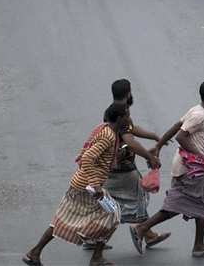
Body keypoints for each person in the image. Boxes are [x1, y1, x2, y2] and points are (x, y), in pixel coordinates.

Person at [22, 103, 129, 266]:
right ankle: (96, 257)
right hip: (88, 187)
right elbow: (87, 158)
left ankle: (34, 253)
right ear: (120, 118)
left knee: (60, 220)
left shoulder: (107, 130)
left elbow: (99, 158)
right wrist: (96, 185)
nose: (129, 119)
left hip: (79, 184)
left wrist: (115, 156)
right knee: (113, 214)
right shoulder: (108, 135)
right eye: (127, 116)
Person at [130, 80, 204, 258]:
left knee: (179, 203)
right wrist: (202, 156)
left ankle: (143, 228)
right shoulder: (201, 116)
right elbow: (181, 136)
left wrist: (158, 146)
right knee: (202, 203)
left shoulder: (196, 110)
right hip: (191, 168)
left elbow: (176, 126)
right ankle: (197, 245)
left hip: (183, 165)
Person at [83, 79, 171, 250]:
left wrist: (154, 136)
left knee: (111, 203)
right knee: (134, 201)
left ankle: (92, 236)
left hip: (111, 166)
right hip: (123, 169)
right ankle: (146, 233)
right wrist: (150, 157)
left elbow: (130, 129)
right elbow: (130, 141)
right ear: (128, 93)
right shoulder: (122, 112)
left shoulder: (112, 111)